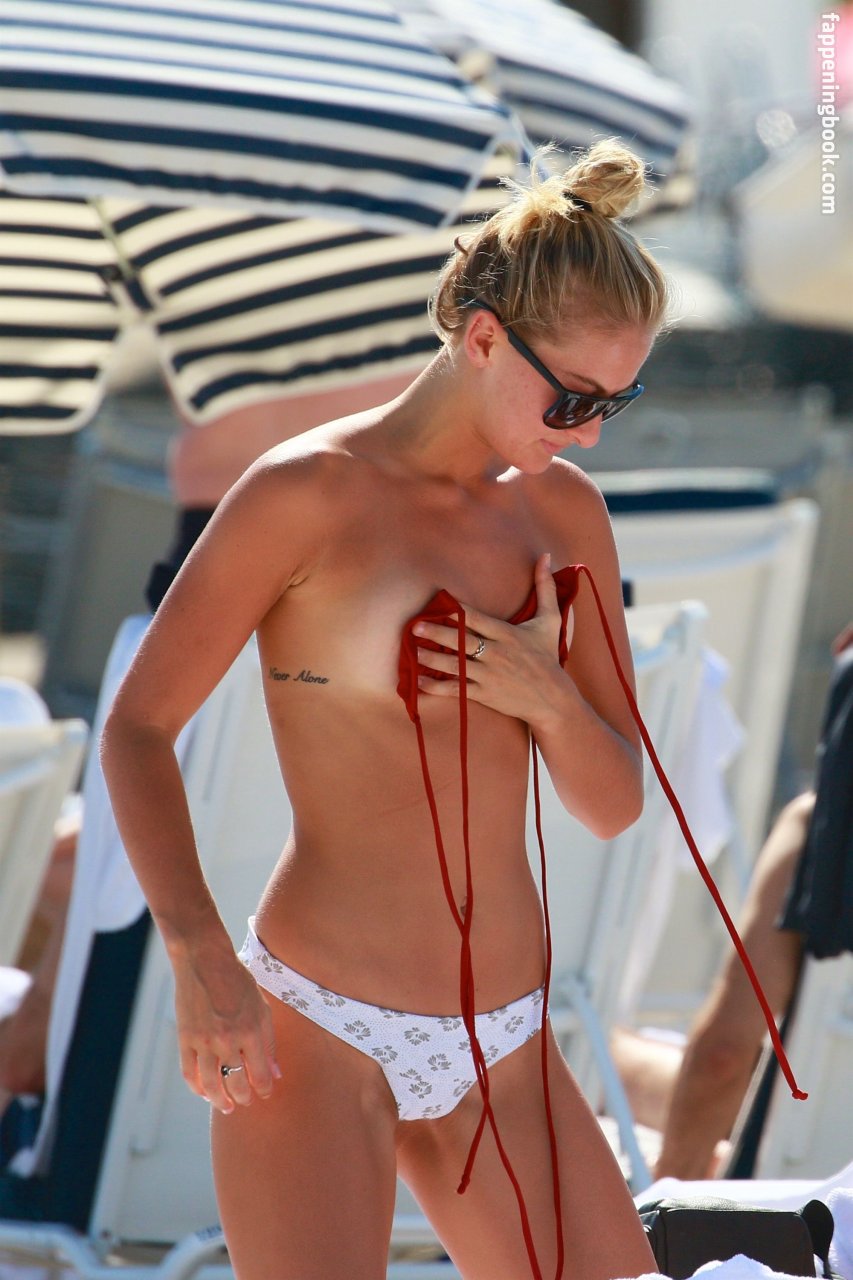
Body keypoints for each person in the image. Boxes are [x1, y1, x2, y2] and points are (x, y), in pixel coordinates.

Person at [101, 139, 666, 1280]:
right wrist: (199, 954)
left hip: (506, 1040)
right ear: (483, 338)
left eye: (618, 400)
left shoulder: (563, 515)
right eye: (573, 398)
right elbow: (137, 729)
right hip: (315, 1023)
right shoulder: (303, 492)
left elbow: (614, 805)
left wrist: (546, 698)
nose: (590, 432)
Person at [614, 623, 853, 1183]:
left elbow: (723, 1056)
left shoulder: (817, 834)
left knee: (598, 1061)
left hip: (805, 1199)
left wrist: (672, 1197)